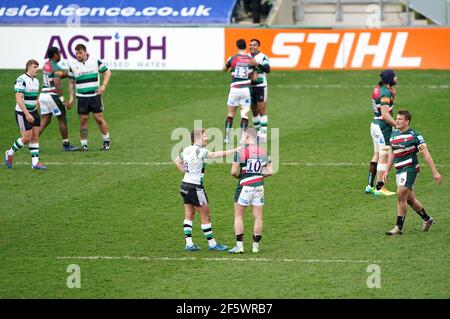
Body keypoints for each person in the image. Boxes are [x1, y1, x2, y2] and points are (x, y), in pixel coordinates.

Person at [174, 128, 241, 251]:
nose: (207, 138)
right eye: (205, 136)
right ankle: (212, 244)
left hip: (185, 185)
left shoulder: (187, 149)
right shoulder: (200, 150)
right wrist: (234, 150)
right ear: (198, 137)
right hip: (195, 188)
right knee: (206, 216)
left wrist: (187, 172)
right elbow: (214, 155)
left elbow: (177, 161)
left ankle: (189, 244)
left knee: (189, 214)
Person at [383, 110, 442, 235]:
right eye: (396, 118)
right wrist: (386, 170)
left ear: (407, 121)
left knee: (400, 194)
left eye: (400, 119)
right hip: (399, 170)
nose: (397, 121)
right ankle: (427, 219)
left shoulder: (415, 136)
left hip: (410, 169)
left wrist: (434, 172)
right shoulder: (393, 135)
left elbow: (425, 154)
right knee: (409, 199)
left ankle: (398, 227)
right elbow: (392, 153)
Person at [229, 128, 272, 253]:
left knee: (238, 215)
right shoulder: (263, 151)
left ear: (247, 136)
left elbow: (233, 171)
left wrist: (241, 176)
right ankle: (255, 247)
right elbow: (270, 170)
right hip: (259, 186)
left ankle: (239, 246)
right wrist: (257, 176)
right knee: (258, 217)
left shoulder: (241, 151)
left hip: (244, 186)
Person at [4, 60, 47, 170]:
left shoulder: (36, 81)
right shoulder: (21, 80)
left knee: (35, 136)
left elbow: (34, 96)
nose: (37, 69)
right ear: (28, 67)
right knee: (26, 138)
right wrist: (27, 114)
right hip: (22, 113)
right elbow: (18, 98)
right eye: (35, 66)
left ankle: (35, 163)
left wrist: (36, 104)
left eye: (38, 66)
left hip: (33, 111)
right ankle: (9, 153)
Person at [68, 44, 111, 152]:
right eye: (76, 53)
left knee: (99, 119)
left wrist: (103, 85)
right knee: (83, 120)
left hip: (95, 96)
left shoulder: (95, 61)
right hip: (82, 97)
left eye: (80, 53)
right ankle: (84, 144)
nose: (78, 55)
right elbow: (71, 82)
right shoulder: (72, 65)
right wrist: (71, 97)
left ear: (86, 52)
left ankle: (106, 141)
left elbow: (107, 72)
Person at [38, 47, 78, 151]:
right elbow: (57, 82)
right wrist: (62, 100)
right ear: (55, 55)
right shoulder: (55, 67)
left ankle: (32, 141)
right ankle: (66, 145)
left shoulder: (46, 64)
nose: (60, 55)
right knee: (62, 118)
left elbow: (57, 74)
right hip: (52, 95)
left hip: (43, 95)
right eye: (59, 53)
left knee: (45, 120)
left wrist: (70, 72)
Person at [365, 69, 397, 196]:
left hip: (374, 124)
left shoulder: (378, 89)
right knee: (384, 156)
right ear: (390, 79)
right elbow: (385, 115)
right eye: (395, 76)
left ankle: (369, 185)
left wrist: (392, 94)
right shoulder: (385, 93)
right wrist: (397, 125)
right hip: (382, 127)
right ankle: (380, 187)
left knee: (377, 155)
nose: (397, 78)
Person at [223, 39, 257, 144]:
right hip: (245, 89)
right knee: (244, 115)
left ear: (237, 46)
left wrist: (230, 70)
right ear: (246, 46)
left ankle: (227, 138)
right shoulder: (250, 59)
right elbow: (254, 78)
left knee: (230, 113)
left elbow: (223, 69)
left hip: (234, 89)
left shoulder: (232, 58)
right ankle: (242, 139)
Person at [249, 39, 270, 141]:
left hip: (261, 86)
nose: (252, 47)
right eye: (250, 45)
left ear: (258, 46)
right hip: (250, 86)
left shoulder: (263, 57)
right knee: (254, 111)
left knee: (261, 109)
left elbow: (267, 69)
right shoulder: (247, 57)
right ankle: (257, 133)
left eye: (254, 45)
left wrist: (257, 64)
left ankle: (264, 135)